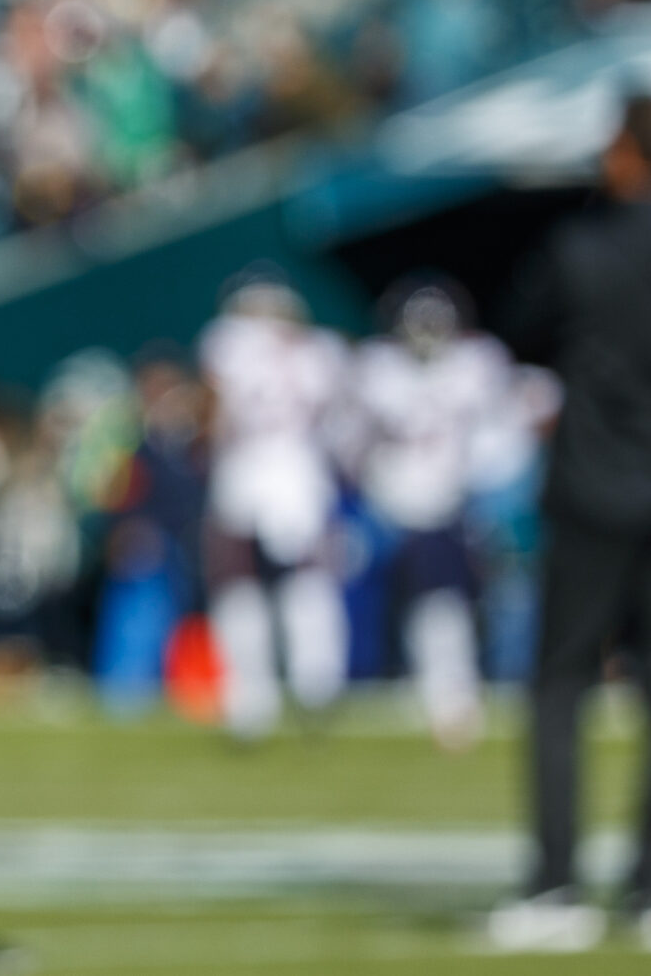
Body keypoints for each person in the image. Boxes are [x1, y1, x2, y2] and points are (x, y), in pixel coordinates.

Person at [488, 96, 651, 956]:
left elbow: (523, 327)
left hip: (597, 486)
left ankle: (556, 883)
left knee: (561, 684)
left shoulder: (588, 246)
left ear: (631, 153)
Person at [340, 278, 539, 753]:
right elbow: (348, 437)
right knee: (372, 599)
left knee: (445, 601)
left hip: (449, 501)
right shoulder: (378, 369)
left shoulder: (477, 364)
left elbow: (504, 441)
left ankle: (448, 688)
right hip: (385, 502)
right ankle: (392, 678)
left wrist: (483, 493)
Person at [197, 273, 351, 741]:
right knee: (307, 584)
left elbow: (213, 413)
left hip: (244, 473)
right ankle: (316, 682)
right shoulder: (321, 351)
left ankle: (251, 700)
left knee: (238, 587)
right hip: (300, 477)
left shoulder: (226, 343)